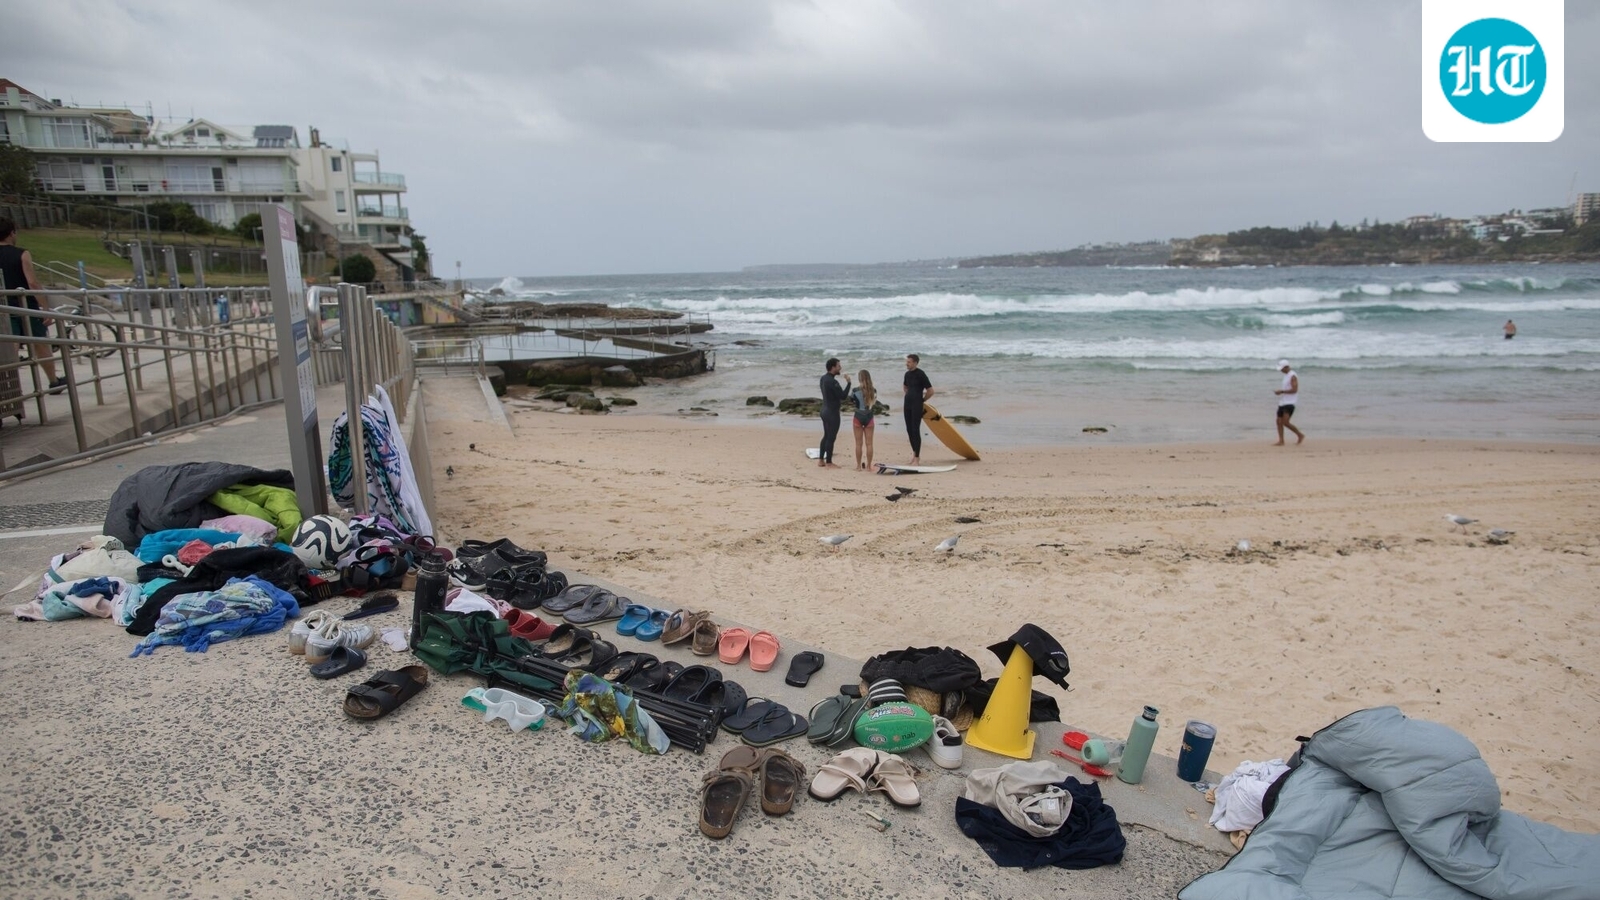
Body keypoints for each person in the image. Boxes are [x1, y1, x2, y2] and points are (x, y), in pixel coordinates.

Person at [0, 217, 64, 393]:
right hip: (26, 305)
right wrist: (44, 308)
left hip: (4, 308)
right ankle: (53, 381)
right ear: (12, 233)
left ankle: (7, 387)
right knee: (40, 343)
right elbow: (33, 283)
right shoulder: (22, 253)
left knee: (9, 346)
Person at [817, 357, 850, 468]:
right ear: (833, 367)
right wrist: (849, 383)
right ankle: (829, 462)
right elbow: (843, 396)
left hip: (824, 410)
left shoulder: (823, 378)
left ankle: (821, 460)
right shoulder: (833, 381)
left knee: (826, 436)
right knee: (831, 437)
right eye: (838, 366)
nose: (840, 368)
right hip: (832, 413)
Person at [902, 354, 933, 464]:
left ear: (915, 363)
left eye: (909, 362)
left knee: (915, 430)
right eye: (907, 362)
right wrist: (908, 394)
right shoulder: (907, 374)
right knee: (909, 430)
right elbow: (905, 386)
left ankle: (917, 457)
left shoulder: (921, 374)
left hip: (916, 405)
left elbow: (930, 391)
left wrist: (922, 400)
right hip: (907, 404)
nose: (907, 364)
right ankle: (914, 454)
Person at [851, 369, 877, 471]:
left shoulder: (855, 390)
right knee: (869, 443)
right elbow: (873, 402)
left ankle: (858, 466)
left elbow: (852, 400)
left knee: (858, 443)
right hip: (869, 416)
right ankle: (869, 466)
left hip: (858, 416)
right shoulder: (873, 390)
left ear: (860, 378)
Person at [1273, 359, 1304, 446]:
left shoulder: (1292, 376)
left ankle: (1300, 435)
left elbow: (1295, 390)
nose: (1281, 371)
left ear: (1286, 367)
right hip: (1283, 402)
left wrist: (1282, 391)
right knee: (1278, 421)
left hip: (1290, 402)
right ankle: (1281, 441)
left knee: (1285, 422)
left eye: (1282, 369)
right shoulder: (1286, 375)